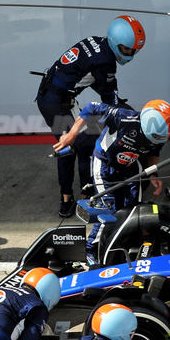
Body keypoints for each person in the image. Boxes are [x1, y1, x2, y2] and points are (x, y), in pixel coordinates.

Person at [35, 15, 146, 217]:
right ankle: (86, 197)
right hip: (57, 103)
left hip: (53, 97)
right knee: (83, 146)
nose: (130, 54)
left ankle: (68, 198)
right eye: (127, 50)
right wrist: (121, 115)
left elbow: (89, 76)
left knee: (68, 148)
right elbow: (108, 97)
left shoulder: (96, 41)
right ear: (116, 43)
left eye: (134, 51)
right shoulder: (106, 63)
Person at [54, 98, 170, 265]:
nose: (162, 139)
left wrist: (153, 174)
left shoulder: (160, 135)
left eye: (166, 136)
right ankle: (90, 249)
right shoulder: (123, 117)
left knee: (134, 209)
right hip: (104, 163)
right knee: (108, 209)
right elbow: (91, 107)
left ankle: (125, 243)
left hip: (131, 166)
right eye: (159, 135)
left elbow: (153, 152)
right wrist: (72, 134)